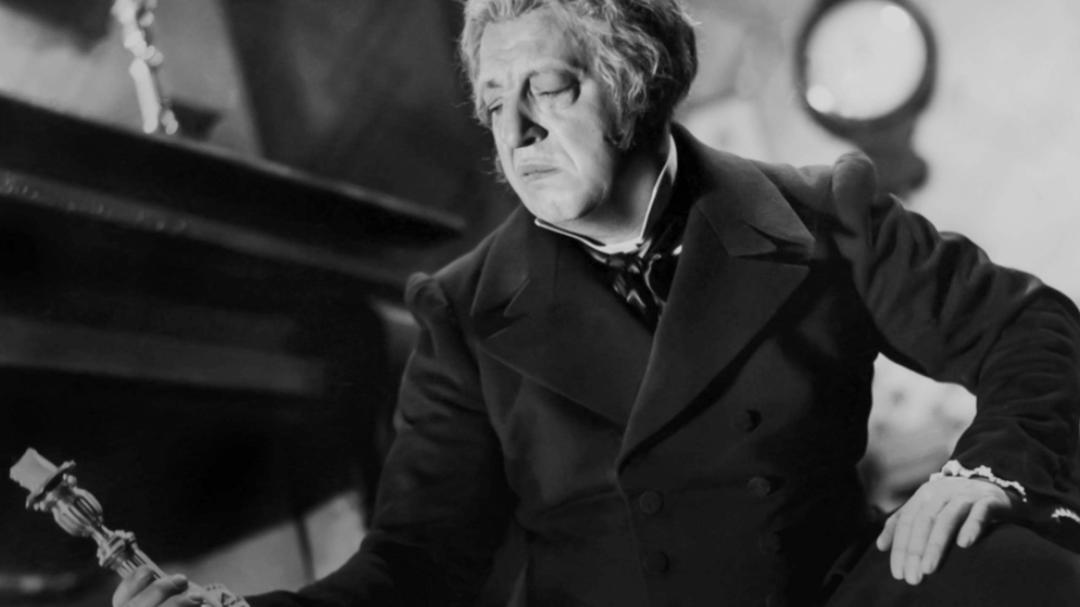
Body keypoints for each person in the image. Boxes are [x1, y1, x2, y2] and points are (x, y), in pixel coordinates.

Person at [114, 1, 1080, 605]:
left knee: (1018, 571)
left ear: (634, 85)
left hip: (828, 594)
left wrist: (986, 472)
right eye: (494, 104)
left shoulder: (822, 213)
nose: (517, 131)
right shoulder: (465, 309)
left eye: (546, 89)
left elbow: (1034, 330)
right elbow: (416, 564)